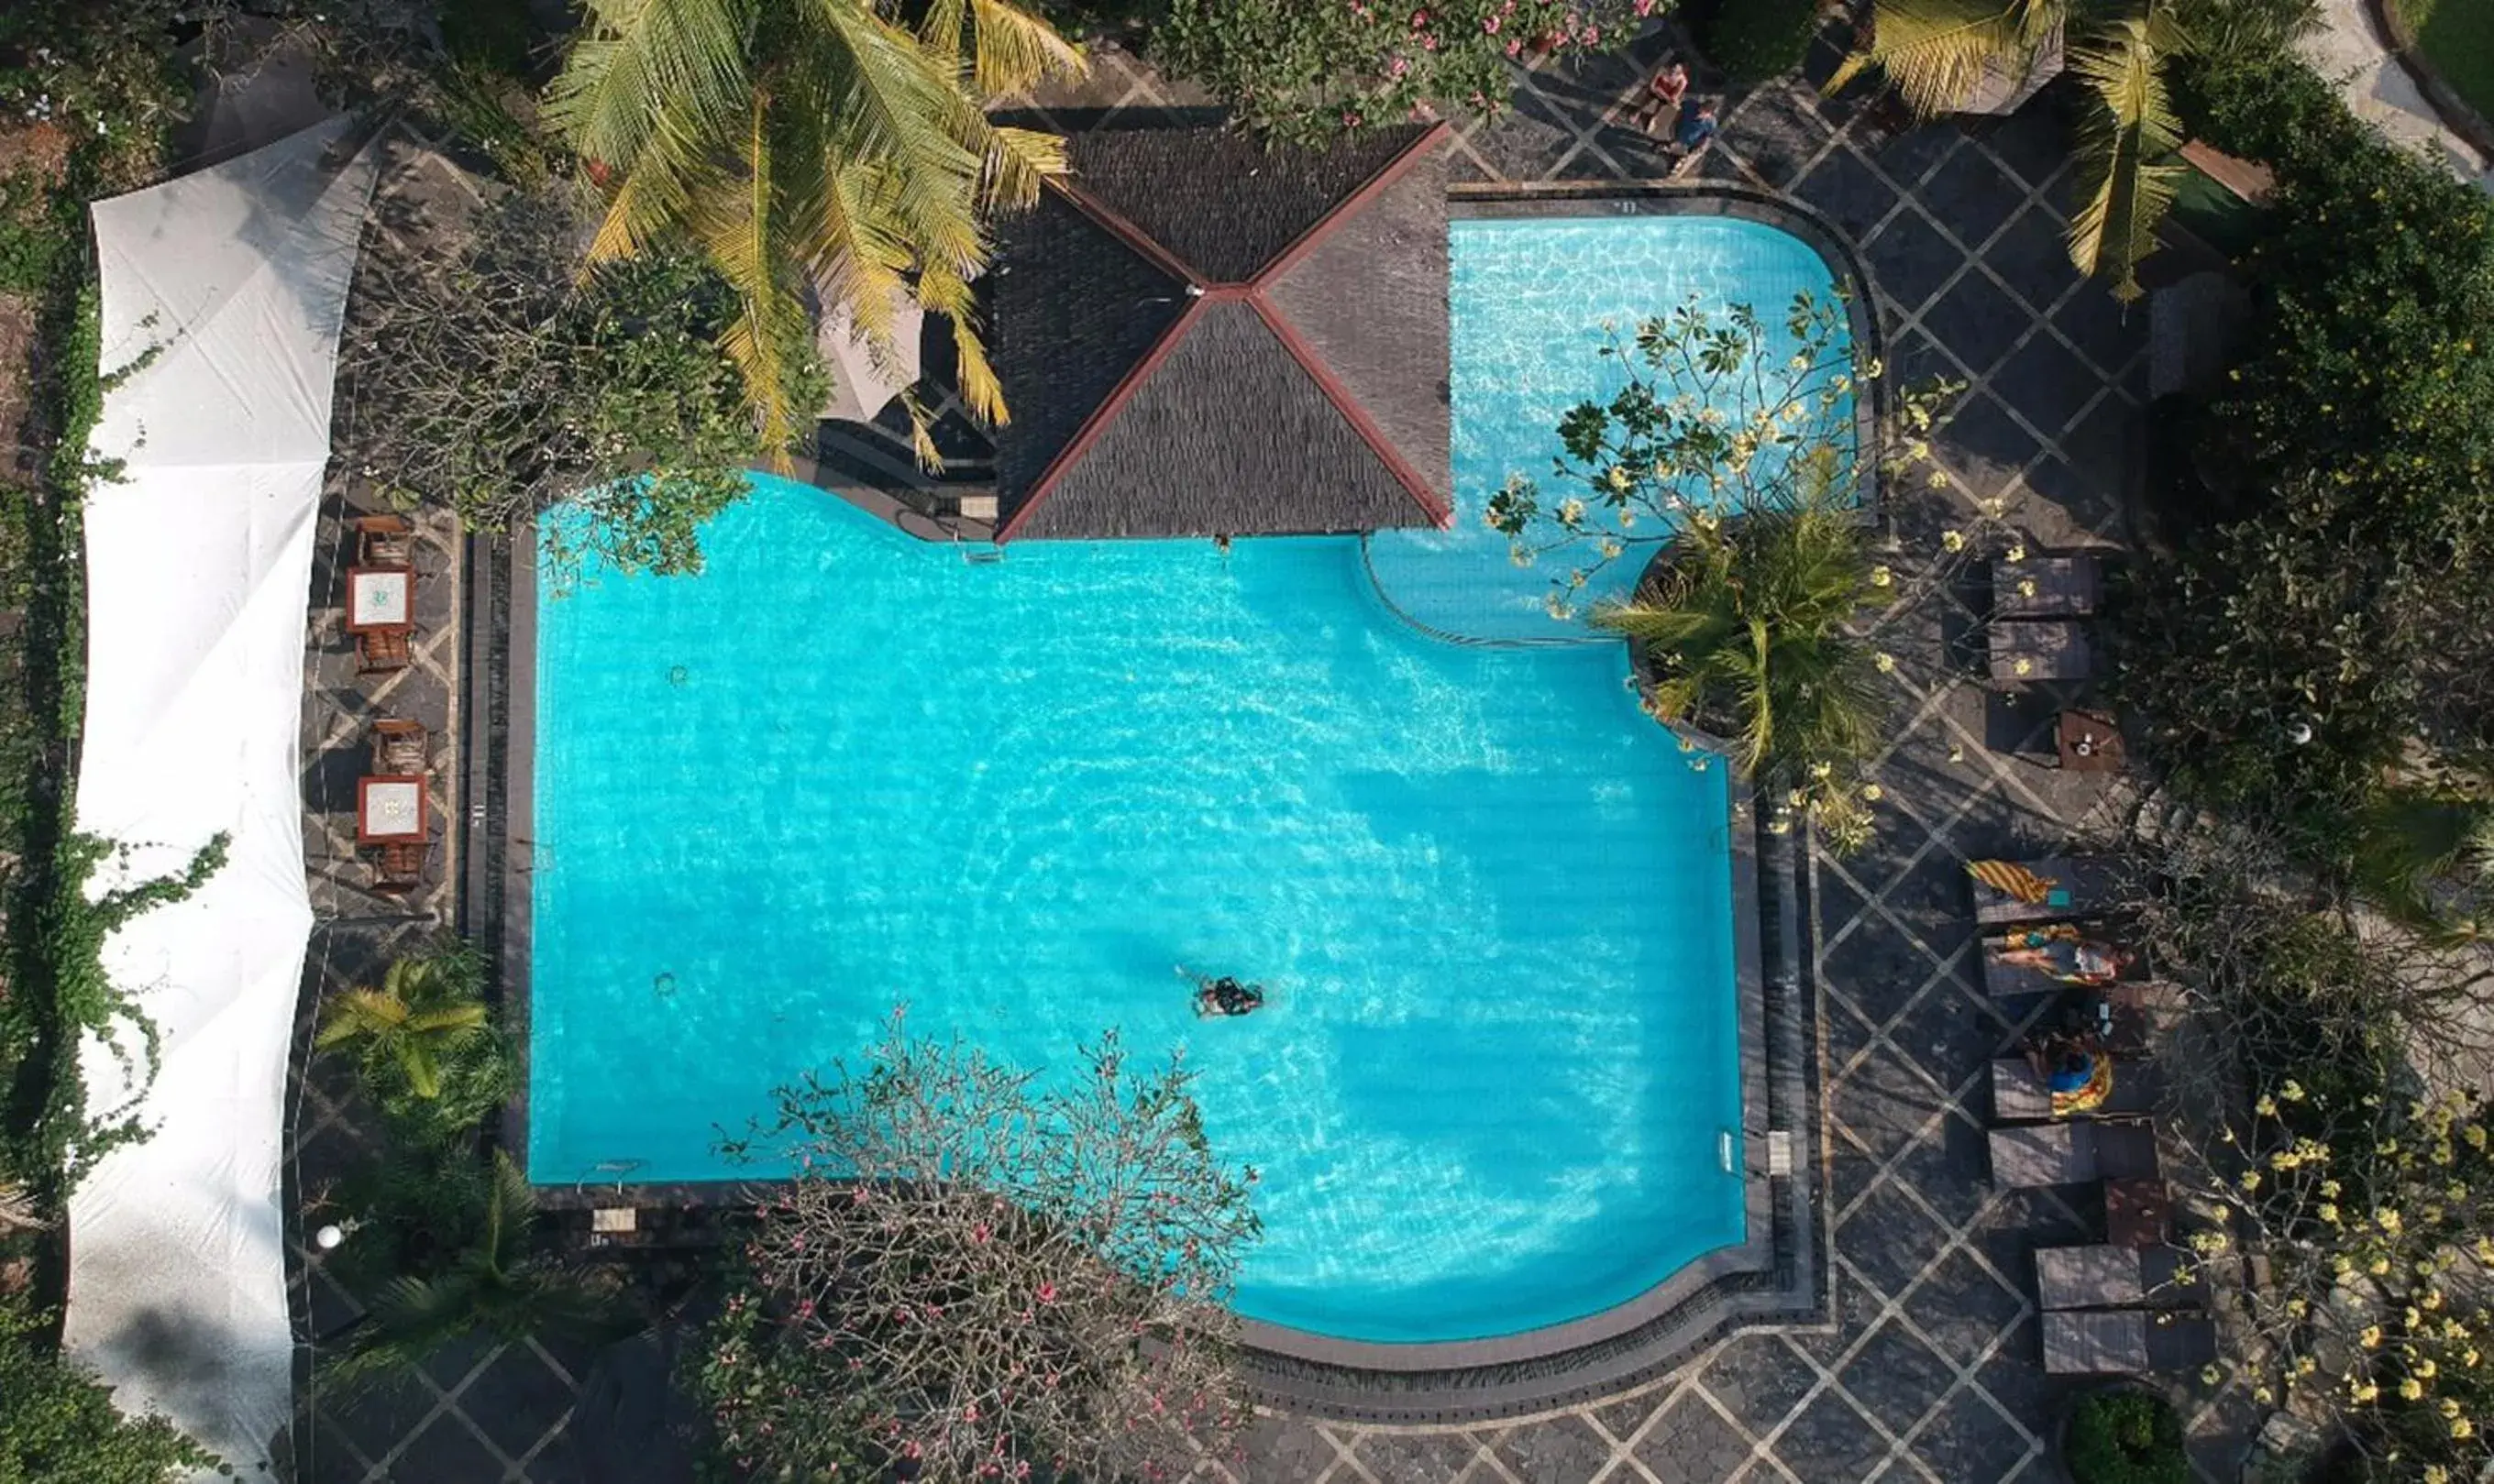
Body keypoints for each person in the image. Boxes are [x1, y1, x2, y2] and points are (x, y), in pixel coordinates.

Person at [1996, 927, 2131, 985]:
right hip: (2070, 951)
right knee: (2035, 953)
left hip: (2070, 966)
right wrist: (2081, 947)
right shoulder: (2106, 948)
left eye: (2119, 957)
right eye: (2119, 952)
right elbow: (2086, 941)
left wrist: (2084, 974)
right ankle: (2001, 956)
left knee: (2037, 961)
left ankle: (2005, 960)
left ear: (2120, 963)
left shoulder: (2109, 973)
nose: (2116, 954)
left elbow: (2092, 978)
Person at [1628, 61, 1690, 135]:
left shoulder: (1682, 81)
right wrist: (1655, 89)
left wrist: (1661, 92)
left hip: (1666, 96)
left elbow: (1674, 96)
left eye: (1676, 71)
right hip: (1655, 91)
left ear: (1681, 72)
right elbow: (1652, 84)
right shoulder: (1662, 69)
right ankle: (1638, 110)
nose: (1672, 72)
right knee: (1647, 98)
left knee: (1663, 105)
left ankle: (1654, 117)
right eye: (1672, 69)